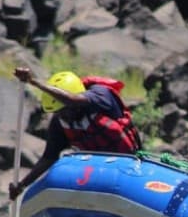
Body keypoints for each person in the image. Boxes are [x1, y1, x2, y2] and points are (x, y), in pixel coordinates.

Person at [8, 67, 142, 200]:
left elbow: (72, 100)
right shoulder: (60, 121)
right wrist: (21, 185)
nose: (63, 116)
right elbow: (49, 158)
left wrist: (33, 82)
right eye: (58, 112)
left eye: (65, 110)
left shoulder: (101, 95)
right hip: (96, 173)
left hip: (128, 167)